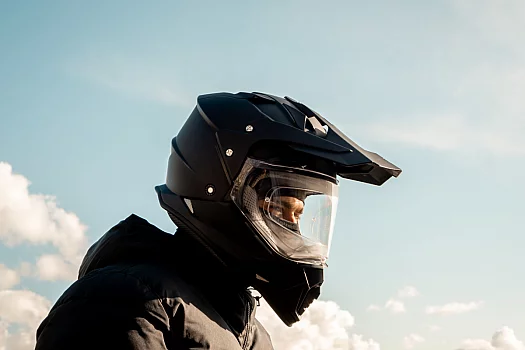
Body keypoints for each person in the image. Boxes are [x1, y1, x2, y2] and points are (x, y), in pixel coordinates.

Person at [34, 92, 401, 349]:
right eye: (279, 208)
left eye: (299, 215)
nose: (293, 228)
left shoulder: (251, 333)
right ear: (219, 189)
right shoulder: (121, 302)